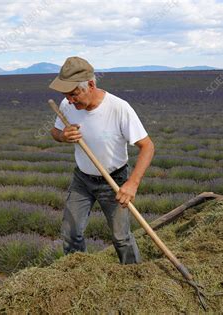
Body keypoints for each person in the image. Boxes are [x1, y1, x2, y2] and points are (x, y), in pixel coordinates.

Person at [49, 56, 155, 263]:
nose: (70, 100)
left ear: (90, 84)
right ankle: (77, 273)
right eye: (66, 95)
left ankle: (134, 276)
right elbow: (55, 131)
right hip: (82, 179)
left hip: (113, 180)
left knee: (121, 237)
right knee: (71, 233)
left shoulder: (119, 108)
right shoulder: (67, 104)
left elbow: (148, 146)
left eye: (73, 94)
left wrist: (132, 183)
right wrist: (63, 136)